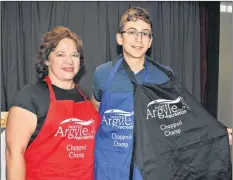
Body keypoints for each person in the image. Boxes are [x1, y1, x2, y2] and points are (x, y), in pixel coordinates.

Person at [91, 7, 232, 179]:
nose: (139, 38)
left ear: (150, 41)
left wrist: (215, 132)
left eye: (145, 33)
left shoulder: (164, 74)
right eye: (132, 32)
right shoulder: (103, 73)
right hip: (110, 166)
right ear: (120, 38)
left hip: (152, 167)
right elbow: (97, 109)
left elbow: (182, 117)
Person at [5, 26, 100, 180]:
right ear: (47, 59)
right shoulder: (31, 96)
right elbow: (14, 154)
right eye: (61, 54)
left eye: (74, 55)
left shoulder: (86, 98)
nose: (69, 61)